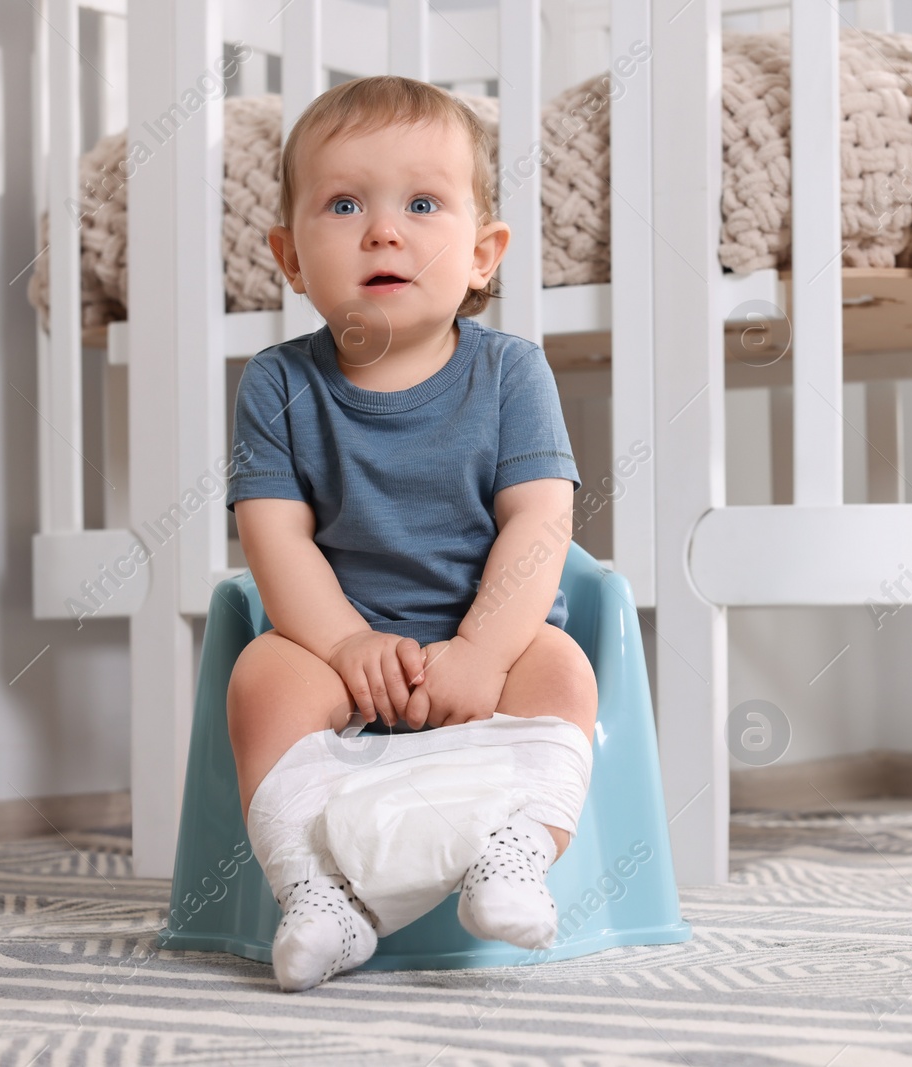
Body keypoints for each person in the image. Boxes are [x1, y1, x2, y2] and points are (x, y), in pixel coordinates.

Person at [223, 74, 599, 991]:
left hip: (492, 645)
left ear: (483, 253)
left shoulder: (512, 373)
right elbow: (275, 539)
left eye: (422, 203)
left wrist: (478, 650)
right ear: (289, 256)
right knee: (259, 676)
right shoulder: (276, 384)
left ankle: (513, 857)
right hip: (340, 645)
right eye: (344, 203)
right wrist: (345, 642)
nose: (383, 229)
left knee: (565, 670)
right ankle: (315, 894)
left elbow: (540, 522)